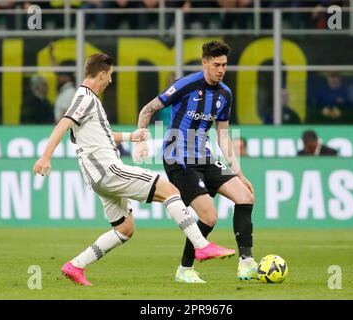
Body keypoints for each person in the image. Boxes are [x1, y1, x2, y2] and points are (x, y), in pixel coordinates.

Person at [33, 53, 235, 286]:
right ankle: (201, 246)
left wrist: (132, 136)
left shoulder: (89, 102)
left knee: (125, 228)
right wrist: (46, 156)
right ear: (102, 74)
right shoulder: (85, 97)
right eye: (110, 76)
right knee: (169, 190)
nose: (110, 80)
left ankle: (76, 265)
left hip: (97, 176)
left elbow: (100, 136)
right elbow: (64, 123)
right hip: (108, 170)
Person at [134, 41, 257, 283]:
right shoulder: (185, 85)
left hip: (204, 157)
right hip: (179, 159)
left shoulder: (225, 94)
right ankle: (185, 269)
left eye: (224, 65)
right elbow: (148, 110)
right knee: (210, 217)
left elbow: (223, 135)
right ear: (205, 63)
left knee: (245, 196)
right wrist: (141, 140)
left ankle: (246, 263)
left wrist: (240, 174)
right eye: (216, 64)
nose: (221, 70)